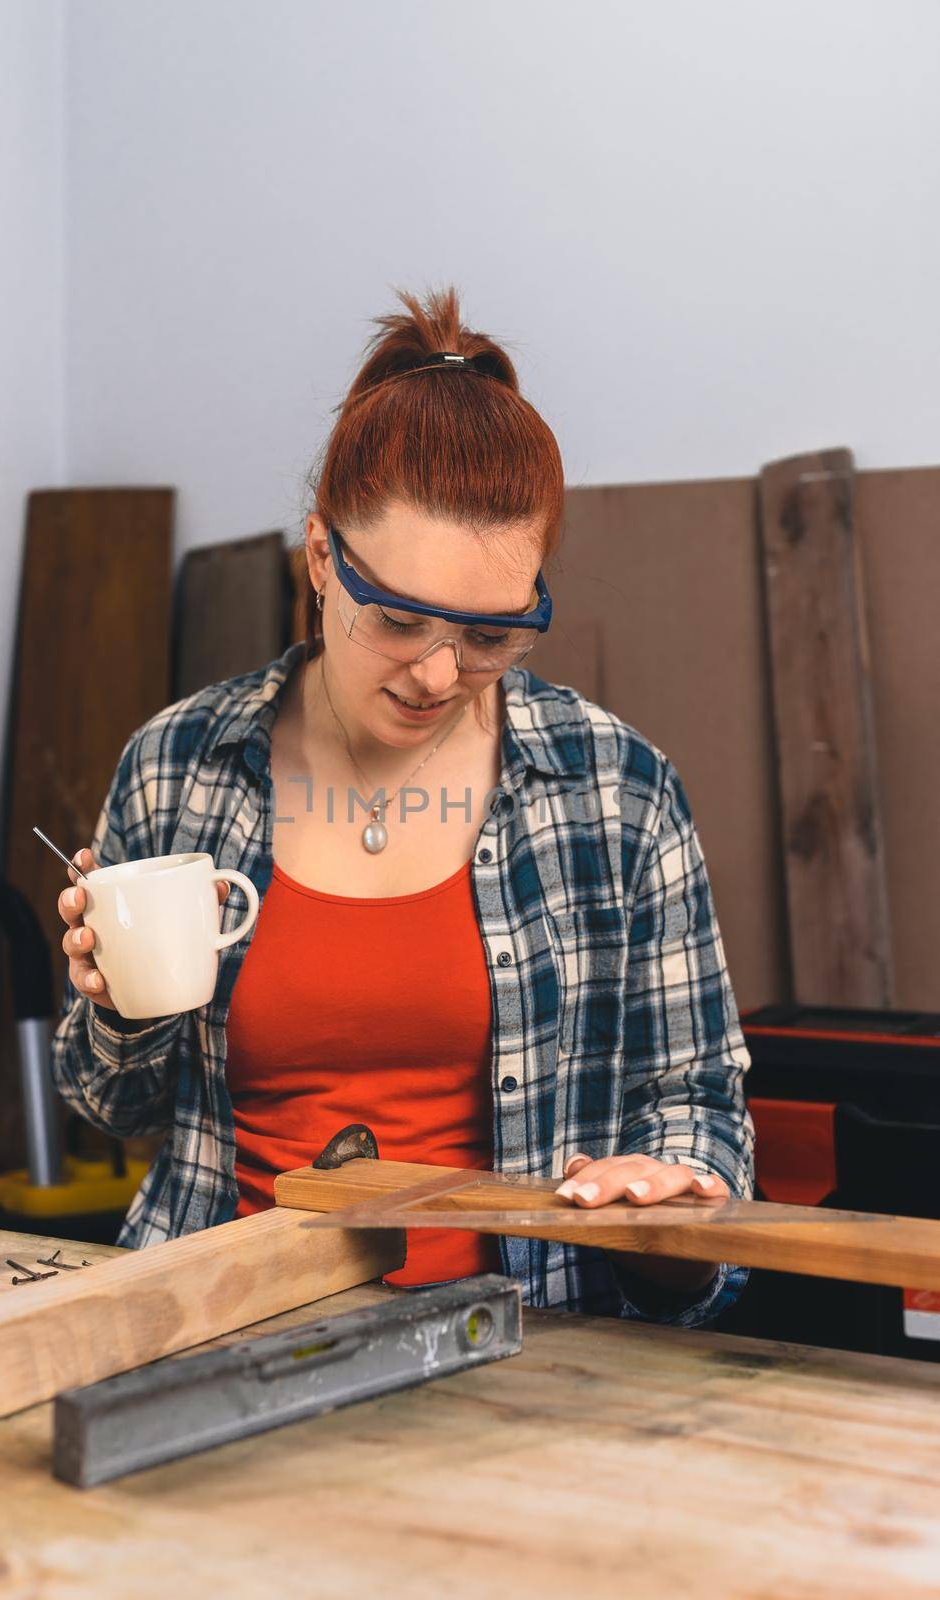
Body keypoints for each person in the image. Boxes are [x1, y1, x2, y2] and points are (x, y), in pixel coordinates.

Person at [51, 286, 755, 1326]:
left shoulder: (617, 790)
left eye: (490, 634)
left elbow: (699, 1115)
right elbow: (114, 1110)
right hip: (210, 1332)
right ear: (322, 558)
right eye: (400, 621)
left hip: (526, 1344)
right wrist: (114, 1007)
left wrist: (672, 1203)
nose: (437, 672)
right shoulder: (179, 763)